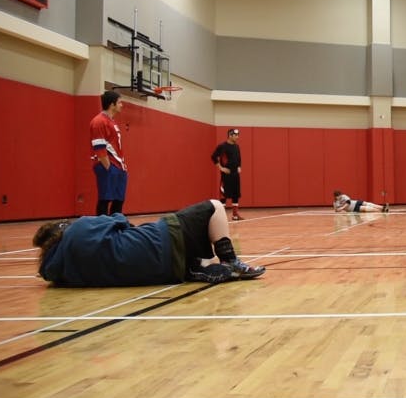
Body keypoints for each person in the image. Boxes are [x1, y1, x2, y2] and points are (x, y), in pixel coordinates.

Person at [33, 199, 265, 287]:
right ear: (61, 229)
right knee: (215, 207)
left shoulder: (61, 274)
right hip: (162, 241)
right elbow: (120, 220)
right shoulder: (80, 229)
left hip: (164, 273)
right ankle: (230, 261)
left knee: (197, 246)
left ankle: (194, 267)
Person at [90, 90, 128, 216]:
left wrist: (121, 166)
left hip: (118, 166)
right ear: (112, 105)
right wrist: (108, 167)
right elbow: (99, 148)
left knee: (119, 200)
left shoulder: (111, 121)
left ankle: (115, 228)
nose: (122, 105)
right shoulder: (99, 122)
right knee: (105, 199)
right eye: (119, 102)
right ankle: (102, 230)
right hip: (108, 166)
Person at [211, 128, 244, 220]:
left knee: (236, 194)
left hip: (235, 175)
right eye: (235, 135)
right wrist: (221, 168)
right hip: (226, 175)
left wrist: (239, 166)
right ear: (230, 135)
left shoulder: (237, 146)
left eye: (238, 135)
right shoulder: (222, 146)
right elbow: (213, 157)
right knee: (224, 195)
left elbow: (239, 158)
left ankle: (235, 215)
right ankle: (221, 217)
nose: (237, 137)